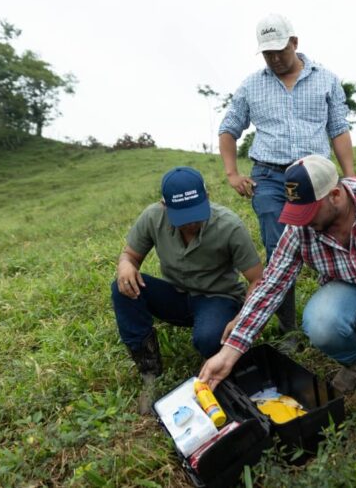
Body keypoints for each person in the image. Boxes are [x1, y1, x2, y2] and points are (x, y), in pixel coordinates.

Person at [200, 156, 356, 417]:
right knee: (319, 321)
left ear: (335, 195)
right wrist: (229, 353)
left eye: (309, 211)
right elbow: (271, 285)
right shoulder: (299, 228)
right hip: (349, 287)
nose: (302, 221)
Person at [218, 13, 356, 343]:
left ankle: (345, 313)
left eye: (280, 50)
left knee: (334, 238)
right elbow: (229, 128)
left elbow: (338, 129)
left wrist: (350, 176)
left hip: (316, 176)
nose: (276, 58)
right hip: (270, 178)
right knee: (278, 250)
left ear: (294, 42)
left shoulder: (326, 80)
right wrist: (232, 173)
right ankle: (288, 329)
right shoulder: (251, 85)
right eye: (268, 53)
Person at [111, 166, 263, 414]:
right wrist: (125, 266)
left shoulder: (229, 226)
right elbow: (130, 255)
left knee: (209, 338)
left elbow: (257, 279)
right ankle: (150, 372)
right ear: (164, 206)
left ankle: (215, 368)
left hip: (217, 298)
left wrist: (242, 318)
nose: (192, 223)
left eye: (196, 213)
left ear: (207, 197)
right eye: (183, 217)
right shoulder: (152, 217)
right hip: (176, 294)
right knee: (122, 288)